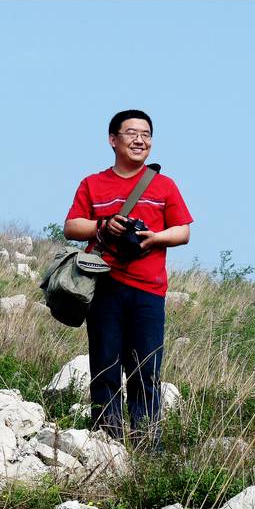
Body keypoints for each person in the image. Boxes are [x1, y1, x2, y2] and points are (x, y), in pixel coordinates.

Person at [63, 109, 193, 447]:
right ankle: (106, 444)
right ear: (112, 140)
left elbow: (183, 231)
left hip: (149, 292)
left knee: (146, 370)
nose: (140, 140)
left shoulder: (164, 185)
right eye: (132, 133)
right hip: (104, 285)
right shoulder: (93, 183)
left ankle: (146, 446)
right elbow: (72, 226)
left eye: (146, 135)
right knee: (105, 367)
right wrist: (104, 225)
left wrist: (154, 237)